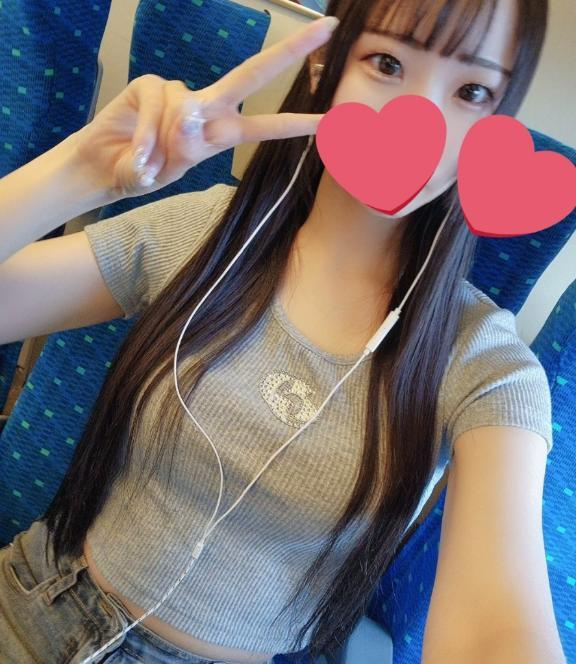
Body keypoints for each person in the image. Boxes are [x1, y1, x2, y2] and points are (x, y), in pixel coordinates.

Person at [0, 0, 560, 663]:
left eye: (472, 92)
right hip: (35, 600)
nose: (425, 119)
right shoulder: (207, 234)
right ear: (325, 66)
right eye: (386, 63)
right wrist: (80, 173)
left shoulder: (487, 366)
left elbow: (496, 622)